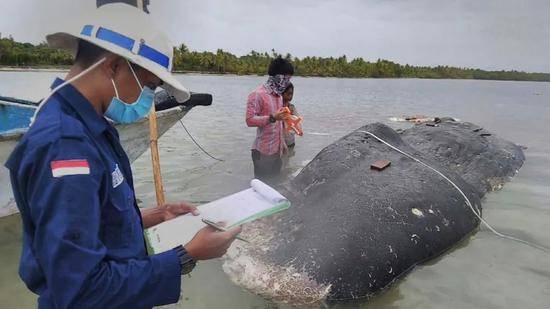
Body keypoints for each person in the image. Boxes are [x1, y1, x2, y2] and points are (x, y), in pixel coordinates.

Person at [4, 4, 240, 308]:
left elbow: (83, 227)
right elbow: (80, 291)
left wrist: (148, 217)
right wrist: (187, 255)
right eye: (149, 86)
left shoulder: (90, 126)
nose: (148, 100)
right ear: (114, 66)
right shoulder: (66, 147)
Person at [245, 57, 294, 181]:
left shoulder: (278, 96)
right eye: (286, 78)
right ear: (277, 76)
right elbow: (249, 120)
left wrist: (283, 143)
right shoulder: (257, 94)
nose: (287, 82)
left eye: (289, 79)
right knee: (261, 189)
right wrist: (272, 118)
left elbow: (279, 124)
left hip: (277, 152)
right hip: (262, 153)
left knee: (275, 186)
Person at [282, 83, 299, 150]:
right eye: (288, 94)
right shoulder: (276, 107)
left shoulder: (292, 107)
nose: (290, 96)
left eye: (292, 94)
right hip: (278, 143)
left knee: (287, 158)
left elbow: (297, 123)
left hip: (290, 142)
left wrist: (291, 116)